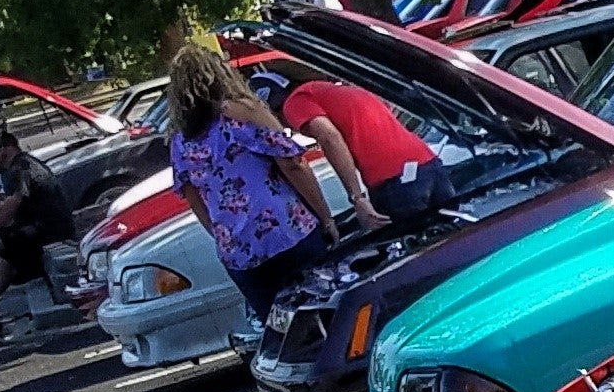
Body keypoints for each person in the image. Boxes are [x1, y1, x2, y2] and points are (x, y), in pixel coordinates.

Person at [160, 41, 346, 317]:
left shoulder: (180, 142)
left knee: (281, 330)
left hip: (238, 253)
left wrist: (224, 234)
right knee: (327, 314)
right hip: (287, 231)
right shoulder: (242, 112)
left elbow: (194, 199)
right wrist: (326, 217)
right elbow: (292, 164)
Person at [274, 68, 446, 227]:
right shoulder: (335, 91)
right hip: (427, 162)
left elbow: (329, 137)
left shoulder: (295, 101)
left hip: (394, 180)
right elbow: (387, 108)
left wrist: (357, 198)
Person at [0, 119, 82, 341]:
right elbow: (19, 200)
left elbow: (14, 203)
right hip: (45, 225)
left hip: (50, 229)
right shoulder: (22, 165)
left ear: (7, 149)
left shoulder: (19, 169)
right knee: (2, 248)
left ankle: (23, 275)